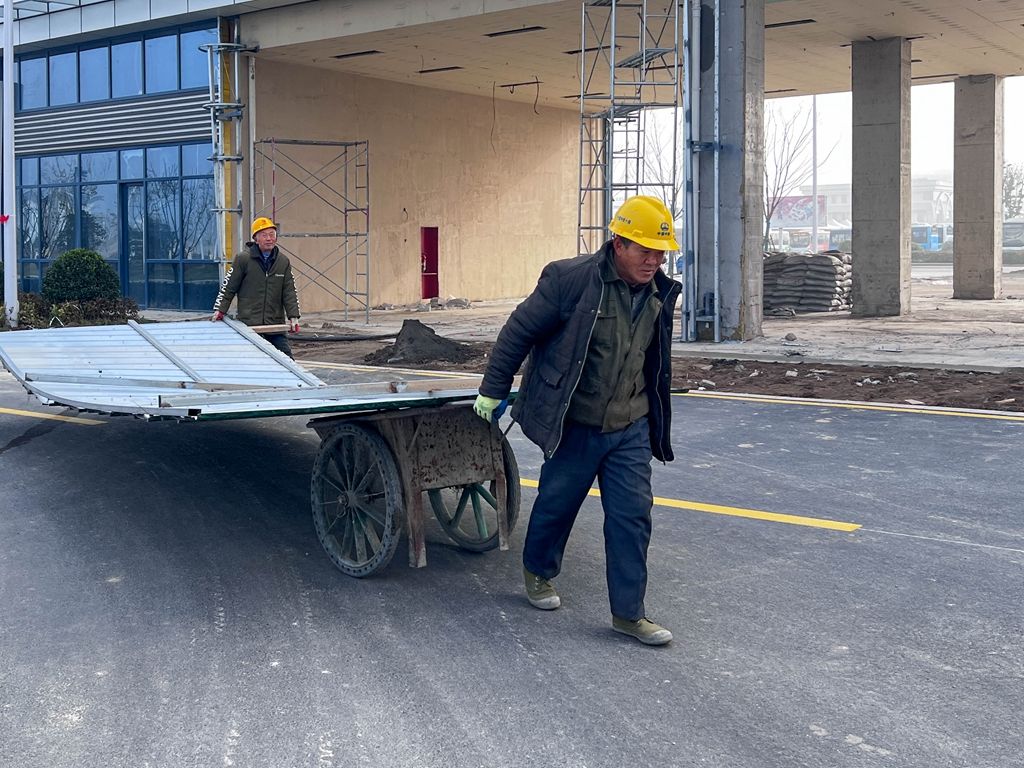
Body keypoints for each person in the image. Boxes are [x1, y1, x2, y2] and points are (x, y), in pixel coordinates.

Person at [474, 196, 682, 646]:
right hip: (575, 420)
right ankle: (538, 570)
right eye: (645, 250)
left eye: (661, 253)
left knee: (632, 517)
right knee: (558, 503)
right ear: (619, 243)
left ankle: (629, 614)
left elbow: (652, 360)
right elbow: (518, 331)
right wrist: (493, 388)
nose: (654, 261)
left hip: (629, 424)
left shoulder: (659, 293)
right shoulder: (570, 280)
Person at [212, 217, 301, 358]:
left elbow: (289, 291)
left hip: (274, 324)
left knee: (286, 360)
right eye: (264, 235)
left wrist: (293, 316)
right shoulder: (243, 259)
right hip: (249, 324)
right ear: (256, 238)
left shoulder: (283, 261)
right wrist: (220, 310)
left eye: (272, 234)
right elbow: (229, 287)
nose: (269, 239)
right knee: (251, 361)